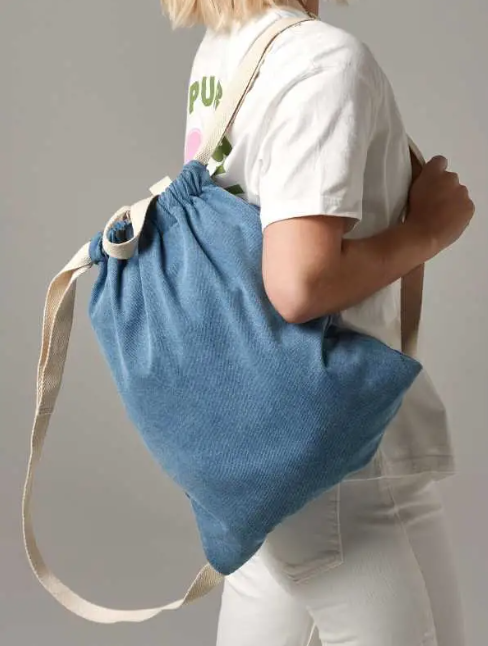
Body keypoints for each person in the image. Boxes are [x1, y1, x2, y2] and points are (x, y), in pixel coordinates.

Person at [161, 0, 475, 643]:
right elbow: (298, 283)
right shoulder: (322, 60)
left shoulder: (228, 50)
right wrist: (428, 232)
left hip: (278, 434)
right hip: (336, 447)